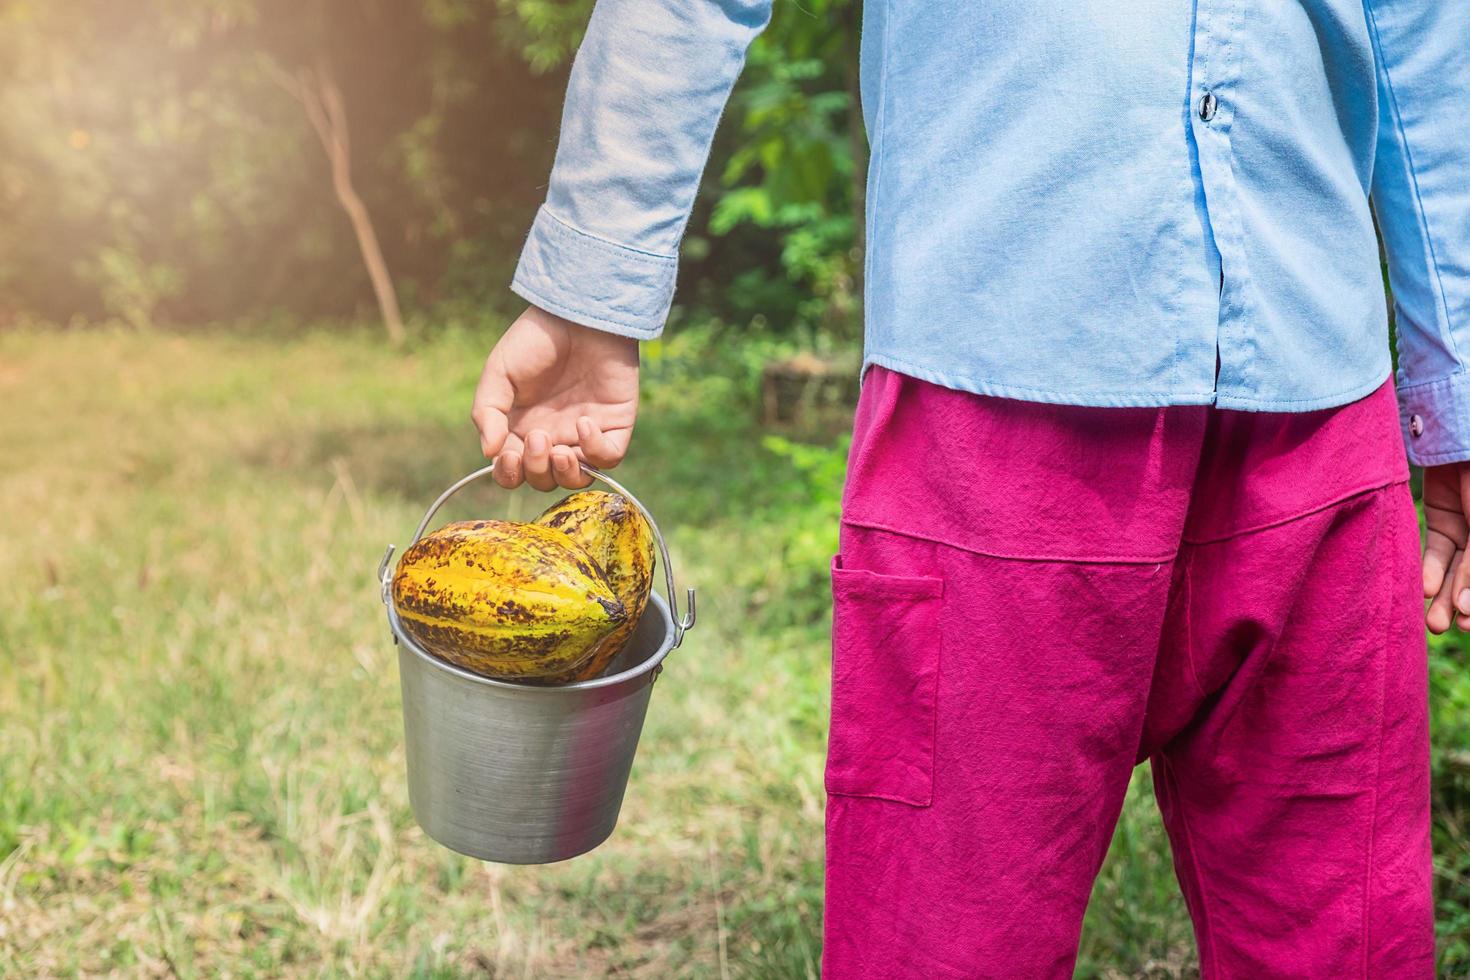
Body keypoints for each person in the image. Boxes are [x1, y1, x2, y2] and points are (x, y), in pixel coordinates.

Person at [470, 1, 1467, 975]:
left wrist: (1457, 388)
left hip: (1320, 395)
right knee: (947, 939)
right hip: (994, 407)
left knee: (1344, 938)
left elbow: (1428, 32)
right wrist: (589, 287)